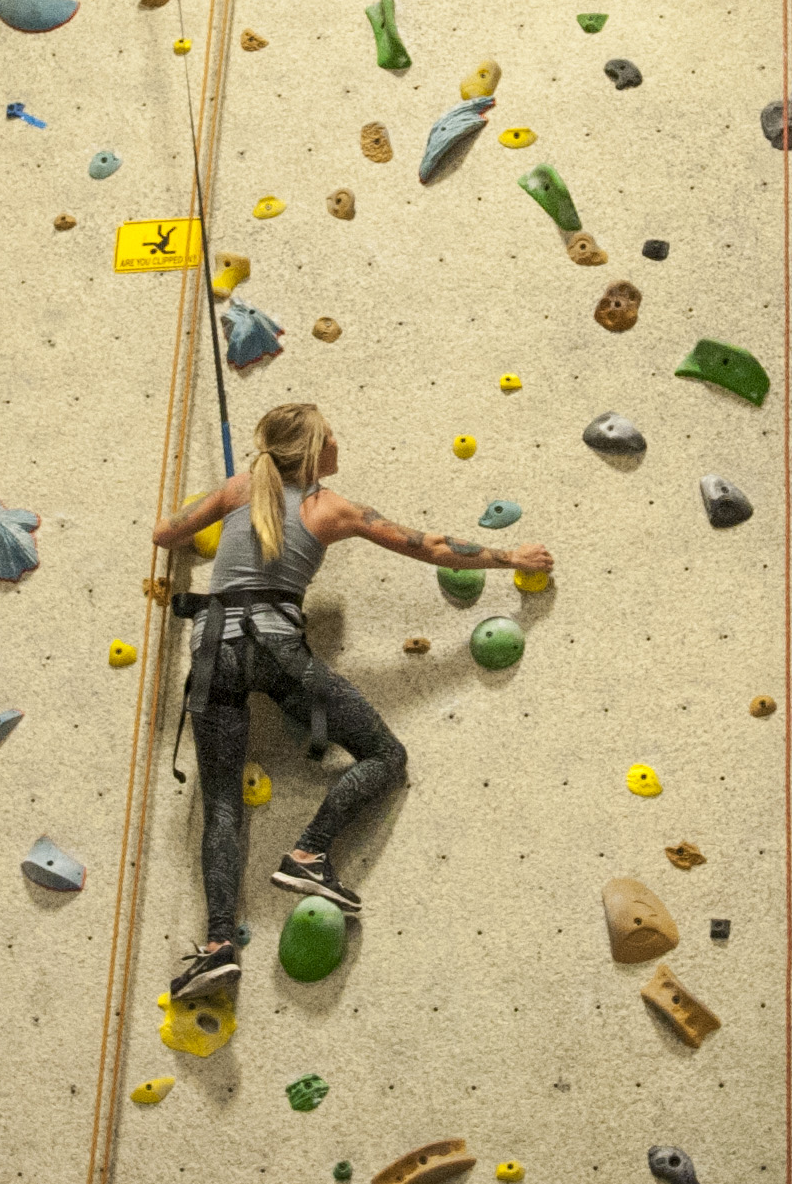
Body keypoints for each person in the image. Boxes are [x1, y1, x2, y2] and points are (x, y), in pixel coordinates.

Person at [146, 402, 554, 1001]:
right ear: (312, 451)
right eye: (330, 437)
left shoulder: (237, 490)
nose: (338, 444)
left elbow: (164, 534)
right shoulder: (329, 506)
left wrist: (229, 498)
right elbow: (431, 546)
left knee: (223, 802)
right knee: (385, 757)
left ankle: (216, 947)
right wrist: (509, 557)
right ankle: (309, 852)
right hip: (278, 650)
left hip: (214, 655)